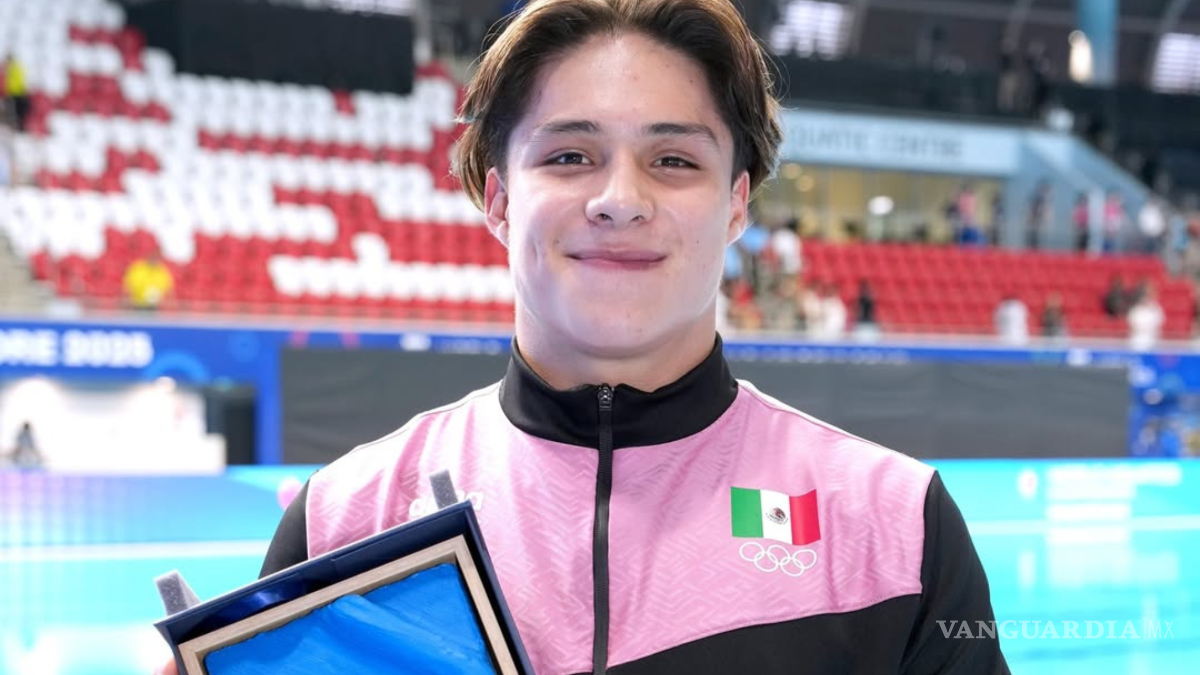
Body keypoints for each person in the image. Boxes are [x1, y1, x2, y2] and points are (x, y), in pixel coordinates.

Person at [157, 1, 1007, 673]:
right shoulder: (346, 521)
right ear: (498, 200)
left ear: (736, 204)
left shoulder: (894, 525)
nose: (619, 200)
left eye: (674, 160)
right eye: (569, 156)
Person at [3, 54, 30, 132]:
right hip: (15, 92)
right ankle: (18, 126)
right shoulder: (11, 68)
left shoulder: (15, 68)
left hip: (18, 92)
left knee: (19, 111)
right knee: (16, 110)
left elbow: (18, 80)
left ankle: (21, 126)